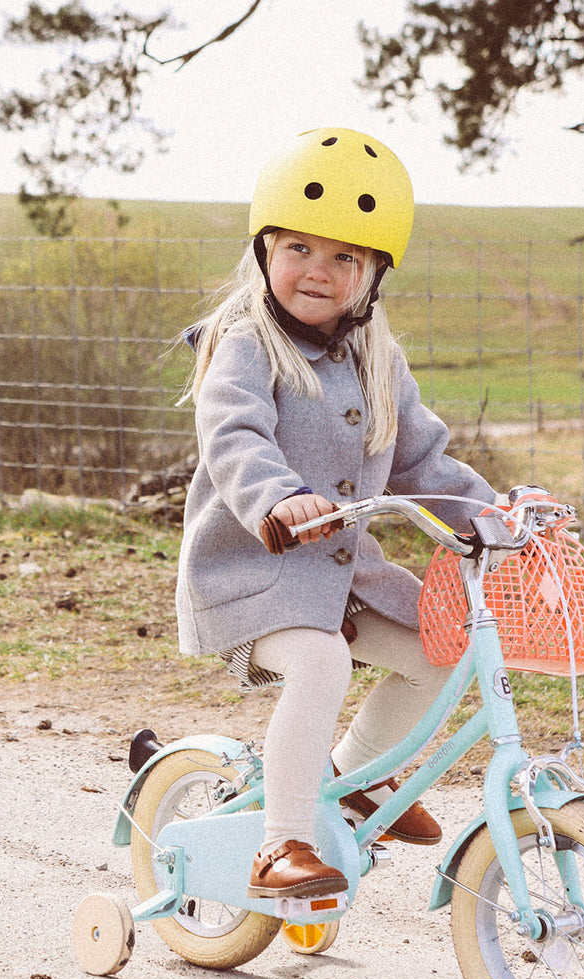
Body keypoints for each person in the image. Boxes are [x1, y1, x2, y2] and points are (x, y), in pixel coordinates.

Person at [175, 128, 497, 900]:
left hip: (343, 580)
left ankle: (351, 780)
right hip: (253, 575)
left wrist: (497, 514)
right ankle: (280, 840)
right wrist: (279, 499)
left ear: (374, 275)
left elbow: (424, 461)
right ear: (264, 252)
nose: (317, 271)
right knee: (320, 664)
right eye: (298, 249)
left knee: (441, 649)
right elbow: (234, 435)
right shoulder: (245, 344)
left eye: (344, 257)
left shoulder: (379, 359)